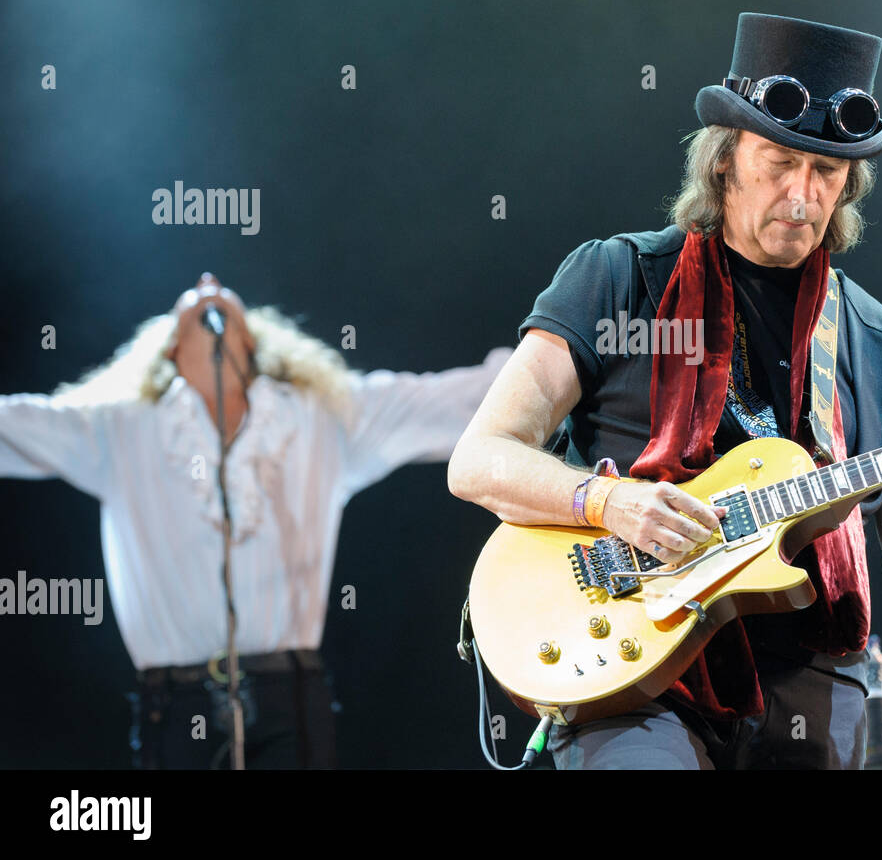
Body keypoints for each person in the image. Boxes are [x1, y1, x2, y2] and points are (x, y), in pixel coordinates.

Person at [448, 13, 882, 770]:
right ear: (725, 161)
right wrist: (610, 502)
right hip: (635, 672)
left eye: (826, 174)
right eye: (779, 162)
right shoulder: (619, 277)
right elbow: (478, 460)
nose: (802, 194)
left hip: (810, 689)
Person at [0, 273, 510, 768]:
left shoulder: (323, 415)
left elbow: (459, 400)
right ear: (169, 347)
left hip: (289, 695)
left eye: (221, 292)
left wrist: (555, 361)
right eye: (195, 294)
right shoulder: (115, 426)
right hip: (174, 705)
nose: (208, 284)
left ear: (255, 340)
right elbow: (14, 425)